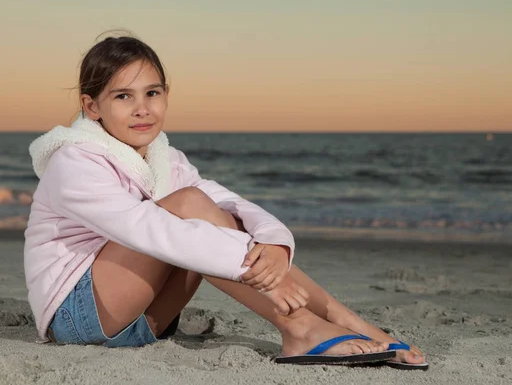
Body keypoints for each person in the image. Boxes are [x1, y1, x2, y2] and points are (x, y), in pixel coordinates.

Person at [24, 34, 427, 369]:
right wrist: (249, 269)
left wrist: (273, 241)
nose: (143, 108)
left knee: (202, 205)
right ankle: (302, 327)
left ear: (167, 95)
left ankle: (341, 317)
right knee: (185, 207)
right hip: (79, 318)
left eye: (152, 92)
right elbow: (147, 230)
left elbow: (225, 203)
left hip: (147, 322)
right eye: (123, 97)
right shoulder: (73, 160)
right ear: (91, 106)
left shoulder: (163, 157)